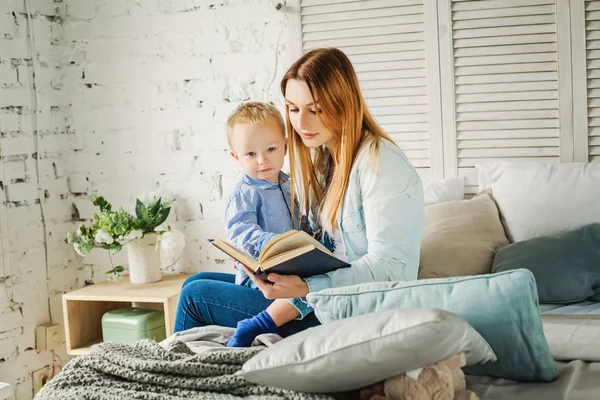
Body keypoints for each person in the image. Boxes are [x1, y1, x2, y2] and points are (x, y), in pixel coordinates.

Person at [174, 47, 424, 345]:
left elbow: (390, 270)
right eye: (293, 109)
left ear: (344, 104)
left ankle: (171, 376)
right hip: (321, 298)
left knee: (194, 296)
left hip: (352, 309)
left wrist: (304, 287)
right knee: (196, 281)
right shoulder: (325, 165)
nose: (301, 123)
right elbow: (322, 255)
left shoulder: (380, 162)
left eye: (315, 109)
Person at [221, 101, 315, 347]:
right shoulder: (245, 192)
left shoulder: (287, 184)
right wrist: (275, 243)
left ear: (284, 147)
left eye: (271, 149)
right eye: (251, 154)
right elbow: (241, 232)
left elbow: (300, 221)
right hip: (260, 280)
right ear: (236, 157)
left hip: (291, 270)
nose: (262, 160)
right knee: (193, 285)